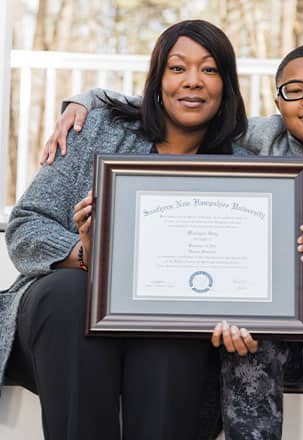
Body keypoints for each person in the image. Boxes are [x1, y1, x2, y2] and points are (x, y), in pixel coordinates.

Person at [41, 44, 303, 439]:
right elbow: (187, 102)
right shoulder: (263, 138)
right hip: (295, 321)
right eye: (295, 89)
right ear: (278, 102)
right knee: (247, 340)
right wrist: (86, 101)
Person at [1, 19, 256, 440]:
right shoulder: (99, 130)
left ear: (227, 86)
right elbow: (27, 225)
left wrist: (248, 314)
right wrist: (86, 255)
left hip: (174, 326)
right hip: (64, 320)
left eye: (209, 70)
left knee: (170, 323)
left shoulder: (243, 169)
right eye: (177, 68)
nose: (193, 81)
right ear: (157, 81)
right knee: (70, 293)